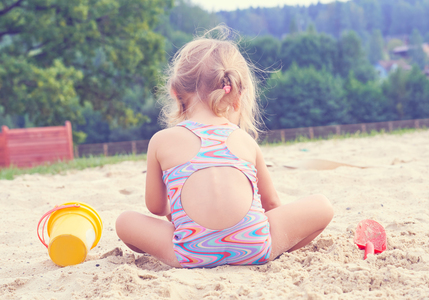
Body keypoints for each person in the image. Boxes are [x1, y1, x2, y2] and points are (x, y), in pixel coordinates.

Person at [115, 26, 333, 268]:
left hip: (190, 253)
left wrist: (176, 211)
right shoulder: (245, 141)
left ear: (176, 93)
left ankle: (202, 245)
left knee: (125, 221)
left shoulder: (161, 141)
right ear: (237, 95)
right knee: (323, 206)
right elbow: (272, 205)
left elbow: (155, 207)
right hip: (254, 246)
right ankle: (266, 250)